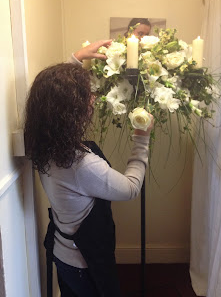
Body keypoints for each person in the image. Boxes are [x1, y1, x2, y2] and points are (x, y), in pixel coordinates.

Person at [24, 40, 153, 297]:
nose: (93, 98)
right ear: (71, 111)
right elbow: (130, 189)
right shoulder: (81, 164)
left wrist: (76, 58)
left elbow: (49, 96)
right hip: (85, 261)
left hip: (62, 252)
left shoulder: (40, 141)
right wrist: (141, 139)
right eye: (87, 96)